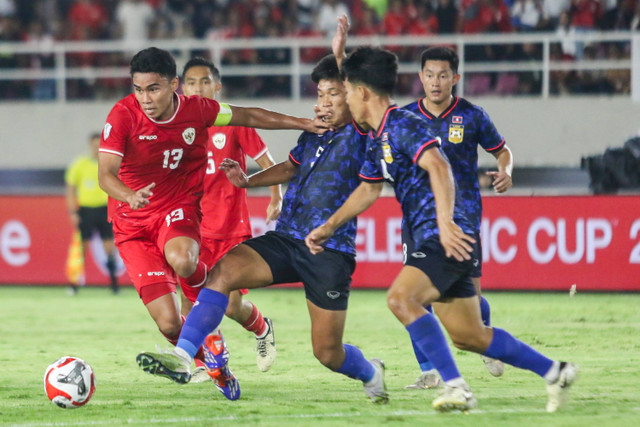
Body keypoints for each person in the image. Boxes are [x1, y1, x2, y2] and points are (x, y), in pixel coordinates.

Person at [304, 45, 578, 413]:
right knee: (470, 336)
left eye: (348, 90)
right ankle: (556, 372)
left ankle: (457, 387)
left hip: (442, 233)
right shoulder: (378, 135)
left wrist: (446, 223)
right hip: (430, 234)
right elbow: (369, 188)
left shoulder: (403, 125)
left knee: (401, 298)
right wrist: (330, 225)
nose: (346, 98)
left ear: (363, 92)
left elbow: (439, 166)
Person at [135, 54, 390, 404]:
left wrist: (341, 51)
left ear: (353, 94)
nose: (323, 103)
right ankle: (184, 355)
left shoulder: (363, 131)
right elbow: (290, 168)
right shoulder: (316, 133)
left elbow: (363, 92)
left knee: (327, 353)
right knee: (220, 275)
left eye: (332, 93)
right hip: (287, 239)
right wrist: (247, 181)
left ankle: (371, 372)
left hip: (328, 251)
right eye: (319, 94)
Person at [98, 47, 328, 400]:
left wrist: (301, 122)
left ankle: (211, 296)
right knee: (169, 323)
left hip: (177, 209)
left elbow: (249, 115)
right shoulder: (123, 115)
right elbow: (105, 175)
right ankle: (215, 365)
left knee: (184, 260)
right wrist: (128, 196)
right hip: (130, 223)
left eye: (154, 89)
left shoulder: (198, 110)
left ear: (174, 85)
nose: (145, 98)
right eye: (139, 89)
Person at [401, 46, 514, 389]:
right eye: (430, 75)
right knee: (414, 296)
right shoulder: (405, 118)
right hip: (419, 222)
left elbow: (502, 150)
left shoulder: (473, 116)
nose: (436, 82)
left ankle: (485, 336)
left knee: (469, 297)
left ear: (456, 78)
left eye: (443, 75)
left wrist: (506, 170)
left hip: (463, 220)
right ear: (420, 77)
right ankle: (429, 370)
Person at [179, 57, 280, 379]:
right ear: (182, 88)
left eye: (205, 81)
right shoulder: (177, 126)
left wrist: (276, 196)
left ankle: (262, 327)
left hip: (230, 228)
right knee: (188, 300)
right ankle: (201, 364)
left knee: (233, 306)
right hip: (193, 228)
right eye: (192, 82)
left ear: (217, 86)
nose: (199, 88)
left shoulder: (234, 121)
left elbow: (267, 161)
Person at [65, 132, 119, 295]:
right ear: (90, 146)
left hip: (104, 210)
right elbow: (70, 189)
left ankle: (114, 285)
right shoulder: (80, 164)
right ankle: (74, 284)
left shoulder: (108, 164)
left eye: (99, 145)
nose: (97, 148)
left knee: (109, 247)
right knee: (81, 248)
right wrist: (73, 211)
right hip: (86, 211)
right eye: (94, 145)